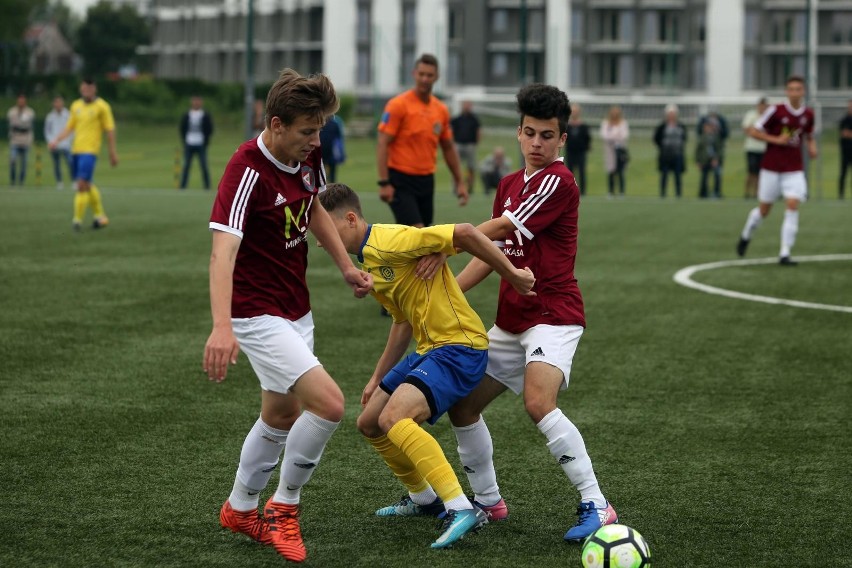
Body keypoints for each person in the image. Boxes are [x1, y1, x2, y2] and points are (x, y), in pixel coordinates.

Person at [415, 83, 618, 543]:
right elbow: (493, 252)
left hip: (554, 313)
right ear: (518, 132)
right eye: (529, 133)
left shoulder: (559, 182)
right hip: (511, 320)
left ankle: (597, 504)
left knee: (538, 402)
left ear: (562, 139)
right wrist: (442, 293)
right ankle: (488, 502)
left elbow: (503, 227)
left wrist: (442, 244)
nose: (536, 144)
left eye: (547, 136)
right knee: (463, 407)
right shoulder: (508, 184)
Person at [203, 69, 373, 563]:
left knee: (281, 414)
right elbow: (222, 255)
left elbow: (314, 207)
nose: (316, 141)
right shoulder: (246, 170)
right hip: (256, 313)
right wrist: (221, 326)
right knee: (330, 405)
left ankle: (239, 508)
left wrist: (345, 265)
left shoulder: (308, 154)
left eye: (319, 130)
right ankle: (284, 507)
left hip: (295, 307)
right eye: (306, 131)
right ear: (276, 124)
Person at [317, 183, 535, 549]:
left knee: (394, 420)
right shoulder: (368, 262)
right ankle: (424, 499)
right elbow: (401, 322)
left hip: (460, 346)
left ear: (351, 219)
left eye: (325, 230)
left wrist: (512, 274)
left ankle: (461, 507)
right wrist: (376, 376)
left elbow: (465, 233)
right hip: (430, 349)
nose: (321, 241)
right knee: (370, 422)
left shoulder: (391, 240)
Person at [377, 53, 469, 228]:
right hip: (400, 179)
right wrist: (384, 182)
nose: (425, 79)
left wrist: (460, 182)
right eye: (421, 74)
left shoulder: (441, 110)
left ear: (437, 77)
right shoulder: (398, 105)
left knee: (422, 237)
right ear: (414, 74)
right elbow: (382, 143)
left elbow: (448, 147)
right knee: (417, 232)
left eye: (429, 75)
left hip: (427, 180)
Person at [737, 75, 817, 266]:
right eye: (791, 89)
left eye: (798, 89)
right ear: (786, 91)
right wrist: (776, 140)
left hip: (794, 169)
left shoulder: (808, 114)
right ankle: (746, 234)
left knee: (792, 205)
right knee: (764, 210)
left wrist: (812, 147)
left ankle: (785, 253)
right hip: (771, 168)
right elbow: (753, 131)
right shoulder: (776, 111)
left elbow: (808, 135)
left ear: (803, 91)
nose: (795, 93)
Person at [49, 78, 118, 231]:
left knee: (80, 184)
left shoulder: (102, 107)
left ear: (95, 89)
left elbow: (110, 130)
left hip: (90, 151)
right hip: (76, 150)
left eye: (89, 89)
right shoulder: (76, 106)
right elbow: (69, 127)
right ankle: (101, 216)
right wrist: (56, 140)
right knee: (87, 184)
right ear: (81, 89)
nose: (86, 91)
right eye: (84, 89)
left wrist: (112, 152)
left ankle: (77, 221)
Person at [179, 95, 214, 190]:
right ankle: (183, 186)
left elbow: (209, 129)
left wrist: (206, 140)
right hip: (189, 143)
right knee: (186, 165)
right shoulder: (187, 115)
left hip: (201, 143)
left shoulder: (204, 115)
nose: (196, 103)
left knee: (203, 165)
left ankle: (207, 186)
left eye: (198, 101)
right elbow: (182, 128)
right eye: (194, 101)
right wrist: (184, 140)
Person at [653, 104, 687, 198]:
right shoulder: (662, 126)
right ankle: (663, 194)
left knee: (677, 175)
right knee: (664, 174)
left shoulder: (680, 126)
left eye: (673, 113)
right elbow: (656, 139)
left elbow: (684, 139)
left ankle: (678, 194)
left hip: (677, 154)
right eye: (670, 113)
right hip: (665, 155)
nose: (671, 115)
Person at [451, 100, 481, 194]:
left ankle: (470, 187)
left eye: (468, 105)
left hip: (470, 145)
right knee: (456, 167)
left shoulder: (474, 119)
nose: (467, 107)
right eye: (465, 105)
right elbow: (450, 131)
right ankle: (456, 187)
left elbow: (478, 132)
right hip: (458, 145)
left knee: (471, 167)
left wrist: (476, 143)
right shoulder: (457, 119)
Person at [742, 98, 769, 199]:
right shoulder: (751, 115)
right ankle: (747, 192)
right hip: (752, 148)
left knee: (760, 173)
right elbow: (747, 129)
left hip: (764, 149)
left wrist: (759, 134)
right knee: (751, 172)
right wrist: (759, 134)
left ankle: (757, 193)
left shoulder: (768, 117)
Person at [44, 95, 73, 190]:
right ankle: (59, 182)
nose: (58, 104)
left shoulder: (68, 114)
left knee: (70, 162)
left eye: (60, 102)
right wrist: (51, 142)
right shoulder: (50, 116)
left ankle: (74, 181)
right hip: (54, 144)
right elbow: (47, 131)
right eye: (56, 102)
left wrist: (69, 141)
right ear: (54, 104)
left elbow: (71, 129)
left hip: (66, 144)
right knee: (57, 164)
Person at [600, 105, 629, 197]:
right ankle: (611, 191)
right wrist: (615, 136)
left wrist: (613, 136)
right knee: (611, 170)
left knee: (621, 170)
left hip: (620, 149)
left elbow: (624, 135)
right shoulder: (606, 123)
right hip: (610, 150)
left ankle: (621, 191)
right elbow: (604, 135)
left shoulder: (623, 123)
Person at [7, 94, 35, 186]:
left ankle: (21, 181)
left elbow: (29, 127)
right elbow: (12, 126)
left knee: (24, 163)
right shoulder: (12, 112)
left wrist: (30, 140)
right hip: (15, 140)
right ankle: (13, 180)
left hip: (25, 140)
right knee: (13, 160)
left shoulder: (30, 112)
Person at [565, 103, 591, 195]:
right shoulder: (567, 126)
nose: (574, 113)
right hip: (570, 151)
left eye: (576, 111)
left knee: (582, 172)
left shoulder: (583, 126)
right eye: (573, 112)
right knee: (569, 173)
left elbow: (587, 138)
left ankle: (583, 192)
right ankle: (570, 191)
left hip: (581, 152)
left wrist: (586, 147)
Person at [695, 118, 723, 199]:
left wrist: (716, 159)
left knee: (717, 176)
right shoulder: (702, 137)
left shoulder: (716, 137)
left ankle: (716, 192)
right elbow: (698, 150)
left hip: (714, 160)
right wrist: (698, 161)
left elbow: (719, 149)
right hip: (704, 160)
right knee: (704, 177)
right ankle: (703, 193)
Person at [319, 114, 345, 182]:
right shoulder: (320, 124)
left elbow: (339, 140)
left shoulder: (334, 124)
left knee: (331, 174)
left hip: (331, 153)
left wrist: (340, 154)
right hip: (321, 153)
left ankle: (332, 188)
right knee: (321, 173)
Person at [839, 99, 852, 199]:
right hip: (846, 152)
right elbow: (844, 134)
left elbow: (847, 133)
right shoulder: (845, 120)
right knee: (843, 174)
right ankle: (841, 195)